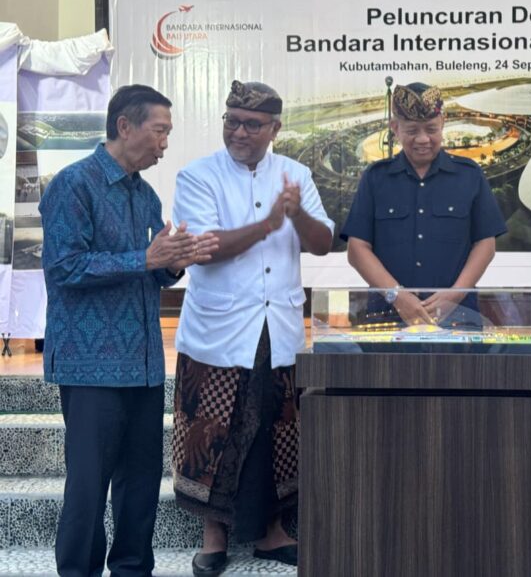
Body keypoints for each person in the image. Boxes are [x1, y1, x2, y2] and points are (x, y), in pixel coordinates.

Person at [40, 84, 218, 577]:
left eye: (168, 133)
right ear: (124, 126)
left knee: (140, 486)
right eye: (159, 131)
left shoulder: (146, 195)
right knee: (88, 487)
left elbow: (152, 272)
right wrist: (144, 258)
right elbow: (64, 267)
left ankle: (133, 570)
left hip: (142, 365)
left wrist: (175, 262)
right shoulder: (73, 185)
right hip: (90, 365)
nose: (165, 143)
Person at [171, 80, 334, 576]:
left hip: (276, 326)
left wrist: (296, 213)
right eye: (232, 121)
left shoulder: (296, 175)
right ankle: (213, 537)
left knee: (274, 429)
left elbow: (322, 243)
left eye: (252, 124)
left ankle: (273, 533)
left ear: (275, 129)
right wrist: (267, 224)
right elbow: (204, 248)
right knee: (213, 433)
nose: (239, 132)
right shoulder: (197, 175)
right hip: (218, 330)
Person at [340, 82, 506, 324]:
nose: (423, 139)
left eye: (431, 129)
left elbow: (485, 244)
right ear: (395, 128)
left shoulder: (469, 175)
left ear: (443, 123)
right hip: (388, 318)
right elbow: (357, 250)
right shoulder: (376, 178)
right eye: (411, 130)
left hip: (457, 317)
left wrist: (455, 295)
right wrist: (396, 296)